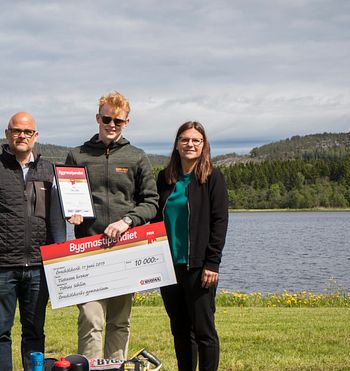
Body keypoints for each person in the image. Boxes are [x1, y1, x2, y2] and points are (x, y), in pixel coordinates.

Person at [0, 112, 66, 371]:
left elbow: (57, 217)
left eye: (27, 131)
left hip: (38, 265)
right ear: (7, 134)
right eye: (16, 131)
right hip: (1, 265)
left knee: (35, 331)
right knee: (0, 330)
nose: (21, 136)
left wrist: (59, 255)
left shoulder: (49, 171)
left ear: (36, 136)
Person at [65, 91, 159, 360]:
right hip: (88, 250)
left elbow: (151, 202)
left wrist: (128, 220)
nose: (112, 125)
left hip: (125, 252)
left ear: (126, 122)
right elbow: (66, 198)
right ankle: (91, 367)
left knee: (119, 321)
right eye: (107, 119)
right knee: (90, 318)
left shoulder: (137, 157)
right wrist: (70, 213)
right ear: (98, 118)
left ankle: (116, 367)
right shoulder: (77, 155)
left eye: (118, 121)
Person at [152, 121, 229, 371]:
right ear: (176, 144)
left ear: (204, 145)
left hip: (199, 267)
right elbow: (153, 217)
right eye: (185, 139)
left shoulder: (212, 178)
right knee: (180, 331)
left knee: (204, 331)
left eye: (196, 140)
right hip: (168, 267)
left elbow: (220, 222)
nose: (190, 144)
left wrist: (212, 263)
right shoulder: (164, 179)